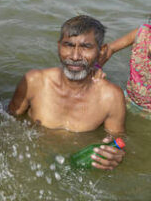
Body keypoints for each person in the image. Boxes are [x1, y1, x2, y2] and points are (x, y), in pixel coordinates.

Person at [8, 15, 126, 170]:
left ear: (101, 51)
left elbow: (117, 139)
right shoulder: (34, 82)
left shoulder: (111, 97)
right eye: (68, 45)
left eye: (86, 47)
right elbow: (8, 121)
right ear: (59, 47)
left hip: (78, 166)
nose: (75, 56)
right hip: (31, 161)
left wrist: (115, 155)